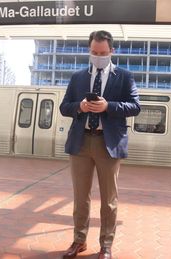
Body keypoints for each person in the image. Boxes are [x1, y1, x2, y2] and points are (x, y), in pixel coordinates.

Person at [59, 30, 140, 259]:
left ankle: (106, 245)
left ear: (111, 51)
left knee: (109, 199)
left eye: (103, 53)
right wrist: (80, 107)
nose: (98, 56)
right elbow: (64, 107)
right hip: (81, 142)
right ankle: (79, 240)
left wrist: (108, 106)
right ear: (89, 50)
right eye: (94, 52)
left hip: (109, 144)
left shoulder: (124, 76)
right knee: (80, 197)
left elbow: (135, 106)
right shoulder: (78, 77)